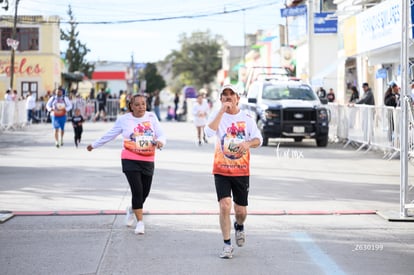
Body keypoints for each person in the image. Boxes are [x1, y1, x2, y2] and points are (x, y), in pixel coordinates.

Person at [87, 94, 166, 235]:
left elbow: (161, 135)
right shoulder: (124, 120)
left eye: (143, 104)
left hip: (148, 159)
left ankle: (131, 209)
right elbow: (110, 134)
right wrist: (94, 145)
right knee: (137, 190)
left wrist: (161, 142)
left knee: (145, 192)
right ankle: (140, 223)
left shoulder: (152, 117)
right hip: (130, 158)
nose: (141, 107)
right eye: (137, 104)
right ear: (131, 106)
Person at [204, 84, 262, 259]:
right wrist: (221, 112)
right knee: (224, 205)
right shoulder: (217, 115)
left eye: (231, 94)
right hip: (221, 169)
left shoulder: (247, 118)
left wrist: (248, 143)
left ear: (238, 98)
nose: (228, 97)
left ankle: (239, 226)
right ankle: (227, 244)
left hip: (241, 171)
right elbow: (207, 133)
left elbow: (259, 139)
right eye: (224, 95)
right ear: (221, 99)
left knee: (241, 212)